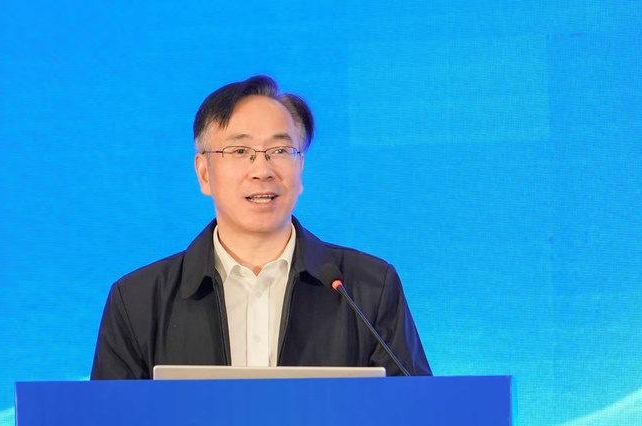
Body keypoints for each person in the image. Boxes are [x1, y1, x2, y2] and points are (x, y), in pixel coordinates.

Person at [90, 75, 431, 379]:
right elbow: (108, 425)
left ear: (301, 167)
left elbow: (417, 413)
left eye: (280, 150)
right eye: (240, 151)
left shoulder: (368, 289)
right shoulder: (137, 301)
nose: (262, 170)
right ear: (204, 172)